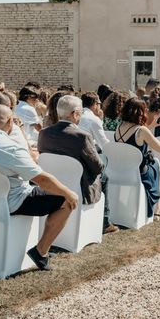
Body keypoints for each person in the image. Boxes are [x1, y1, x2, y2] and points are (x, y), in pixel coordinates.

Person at [0, 105, 78, 271]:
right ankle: (41, 251)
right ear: (11, 122)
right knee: (66, 200)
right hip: (10, 203)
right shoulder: (11, 147)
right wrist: (68, 192)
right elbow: (42, 180)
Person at [37, 95, 117, 234]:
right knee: (104, 174)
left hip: (52, 182)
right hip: (78, 185)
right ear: (74, 114)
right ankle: (105, 222)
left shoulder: (44, 133)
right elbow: (97, 168)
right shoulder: (82, 136)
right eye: (80, 113)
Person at [115, 97, 160, 220]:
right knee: (157, 166)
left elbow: (134, 137)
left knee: (155, 165)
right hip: (139, 172)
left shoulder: (119, 126)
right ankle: (157, 209)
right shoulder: (141, 130)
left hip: (121, 169)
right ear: (140, 112)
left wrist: (151, 125)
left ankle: (157, 209)